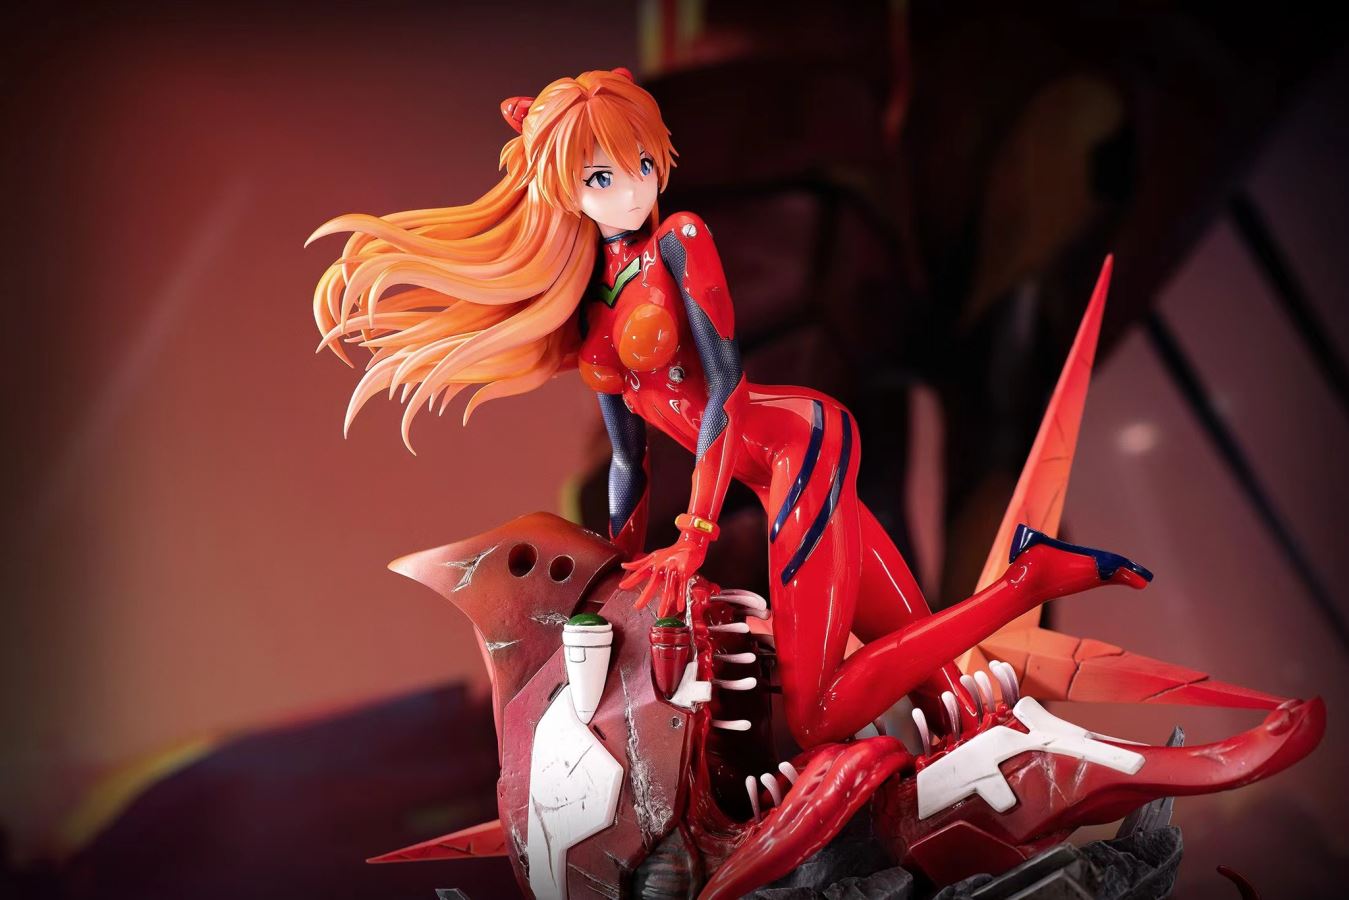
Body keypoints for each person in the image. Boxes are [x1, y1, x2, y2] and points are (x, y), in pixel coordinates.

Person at [308, 67, 1149, 748]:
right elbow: (629, 455)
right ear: (565, 190)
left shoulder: (680, 242)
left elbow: (726, 391)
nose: (632, 190)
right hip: (760, 473)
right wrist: (618, 567)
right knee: (941, 690)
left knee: (815, 714)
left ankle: (1025, 582)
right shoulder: (589, 301)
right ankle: (1012, 653)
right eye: (603, 177)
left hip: (793, 447)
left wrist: (696, 534)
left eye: (643, 166)